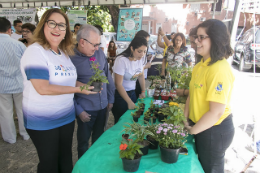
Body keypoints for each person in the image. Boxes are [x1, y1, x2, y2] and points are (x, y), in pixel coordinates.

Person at [20, 9, 96, 173]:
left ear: (66, 31)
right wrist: (78, 89)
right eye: (52, 23)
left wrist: (84, 85)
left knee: (65, 159)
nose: (57, 29)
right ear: (43, 26)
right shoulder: (35, 51)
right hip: (42, 120)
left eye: (62, 25)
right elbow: (43, 88)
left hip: (66, 117)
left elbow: (68, 79)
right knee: (49, 163)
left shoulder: (63, 53)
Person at [184, 19, 235, 173]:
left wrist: (192, 130)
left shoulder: (219, 69)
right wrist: (185, 117)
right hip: (201, 126)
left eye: (201, 37)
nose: (196, 41)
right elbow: (191, 95)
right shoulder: (200, 65)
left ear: (216, 39)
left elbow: (216, 112)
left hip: (214, 129)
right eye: (195, 37)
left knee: (210, 169)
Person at [70, 24, 115, 159]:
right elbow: (67, 89)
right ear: (82, 42)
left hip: (102, 106)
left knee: (99, 139)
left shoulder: (99, 53)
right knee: (83, 142)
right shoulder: (69, 59)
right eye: (94, 45)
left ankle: (96, 165)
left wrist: (110, 99)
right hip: (85, 109)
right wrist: (79, 110)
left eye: (98, 44)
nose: (97, 48)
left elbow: (107, 76)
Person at [0, 17, 29, 144]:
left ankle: (10, 138)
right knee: (22, 110)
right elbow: (27, 64)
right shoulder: (19, 45)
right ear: (9, 29)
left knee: (5, 112)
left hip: (1, 85)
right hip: (19, 82)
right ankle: (25, 134)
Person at [112, 36, 147, 124]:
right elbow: (118, 84)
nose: (142, 54)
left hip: (132, 93)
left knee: (132, 120)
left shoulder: (141, 59)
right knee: (121, 122)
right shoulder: (121, 60)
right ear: (132, 48)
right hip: (120, 95)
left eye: (144, 51)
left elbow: (140, 75)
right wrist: (129, 101)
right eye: (139, 51)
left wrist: (143, 91)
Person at [175, 27, 198, 97]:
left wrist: (187, 74)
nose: (178, 42)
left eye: (180, 40)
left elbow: (190, 64)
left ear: (182, 41)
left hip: (181, 76)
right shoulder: (170, 49)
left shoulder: (185, 50)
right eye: (176, 39)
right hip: (171, 74)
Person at [134, 30, 152, 99]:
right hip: (135, 80)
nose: (146, 43)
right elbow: (137, 68)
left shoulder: (143, 51)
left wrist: (143, 91)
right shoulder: (134, 53)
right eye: (146, 41)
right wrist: (146, 66)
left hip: (140, 77)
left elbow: (140, 69)